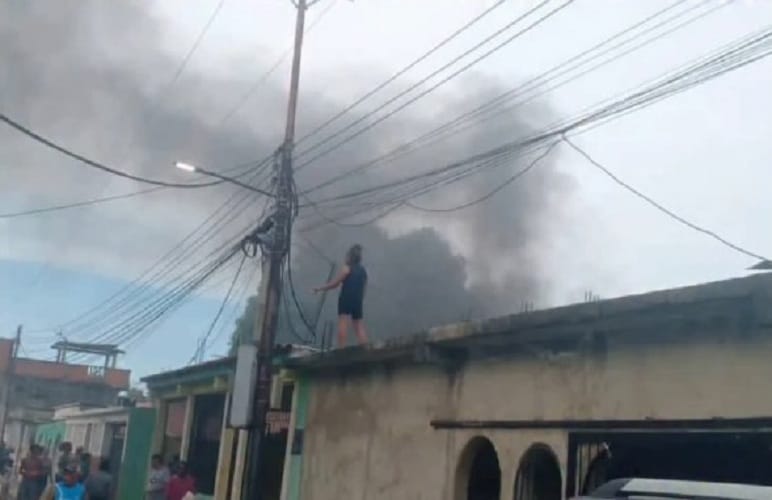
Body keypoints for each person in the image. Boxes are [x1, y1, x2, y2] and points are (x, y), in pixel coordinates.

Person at [314, 244, 369, 347]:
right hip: (358, 299)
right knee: (358, 323)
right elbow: (364, 286)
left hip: (346, 298)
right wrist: (361, 298)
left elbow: (335, 284)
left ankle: (341, 347)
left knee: (343, 321)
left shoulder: (347, 268)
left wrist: (320, 288)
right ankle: (364, 346)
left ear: (350, 257)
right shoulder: (363, 270)